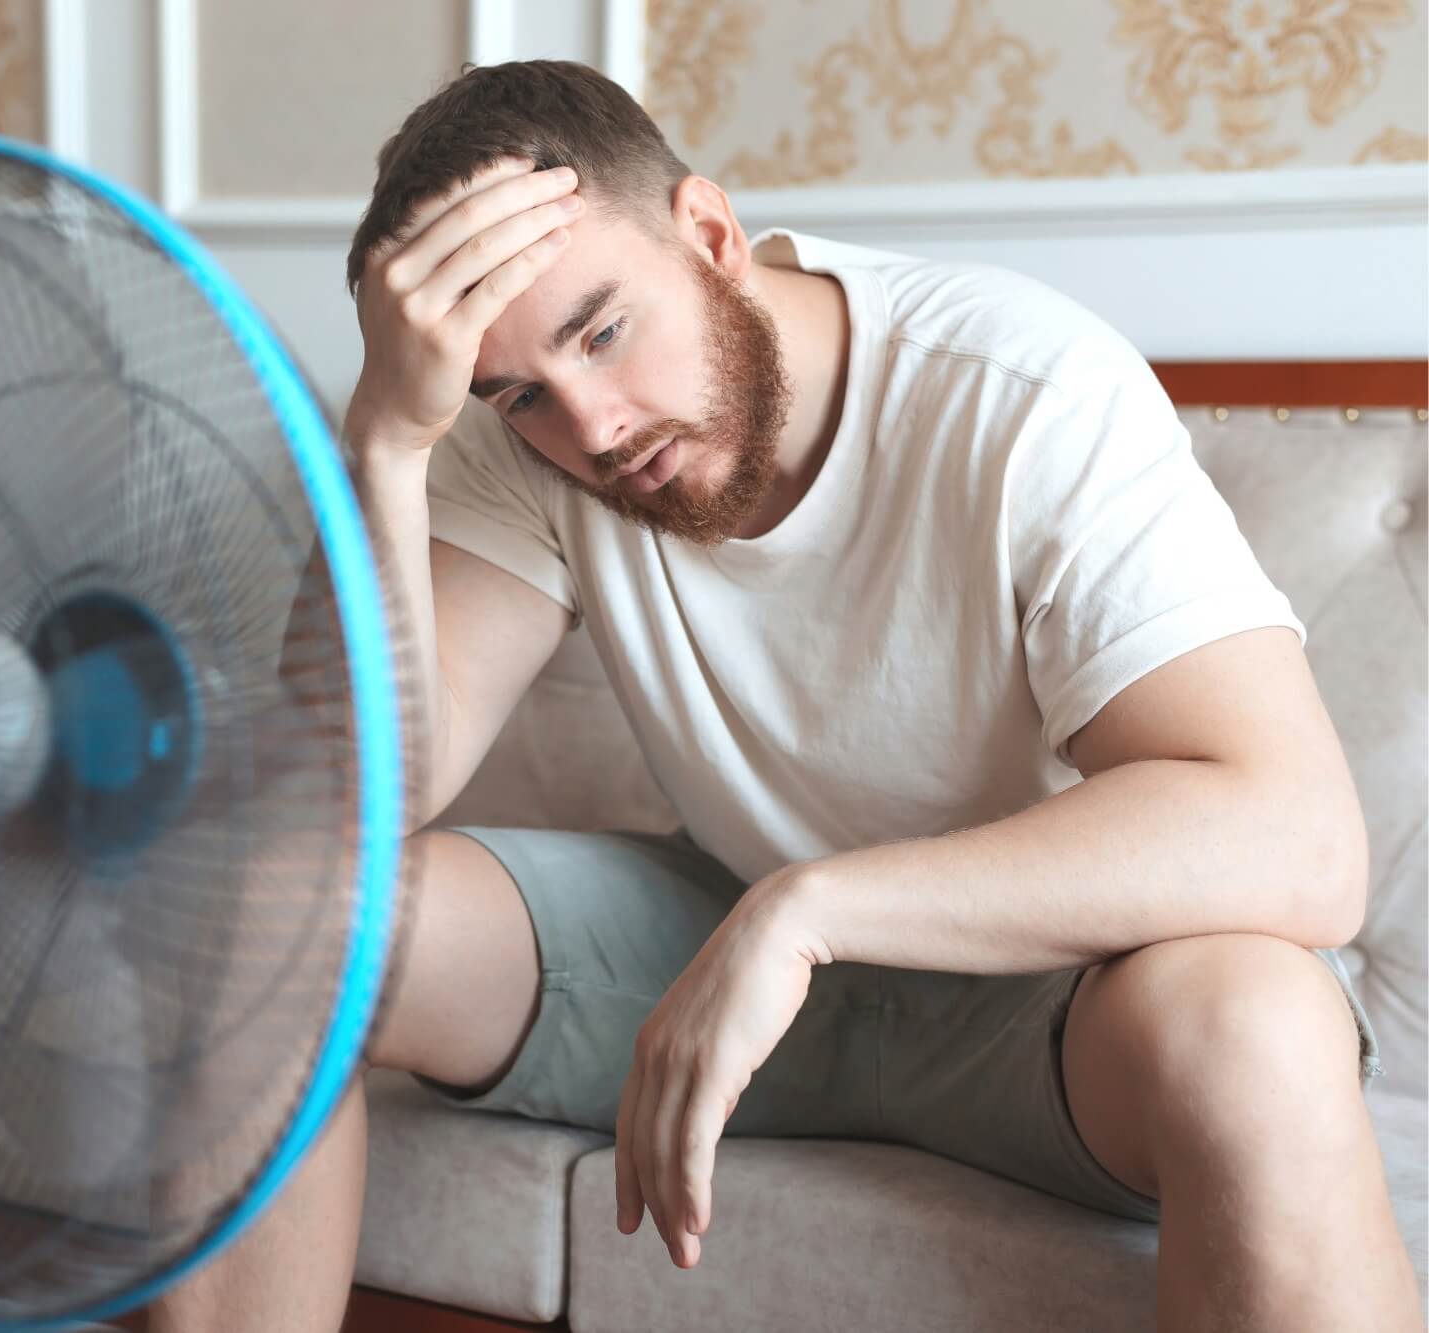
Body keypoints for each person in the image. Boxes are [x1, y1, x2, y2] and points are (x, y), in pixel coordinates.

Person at [150, 60, 1418, 1332]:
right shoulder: (526, 443)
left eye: (601, 331)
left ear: (709, 235)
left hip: (1057, 993)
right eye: (518, 391)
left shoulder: (1022, 392)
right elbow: (343, 811)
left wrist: (807, 910)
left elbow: (1295, 837)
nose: (590, 428)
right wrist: (388, 439)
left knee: (1256, 1025)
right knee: (271, 912)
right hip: (723, 939)